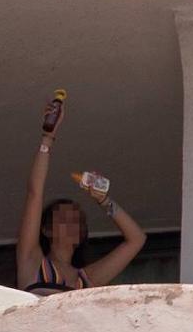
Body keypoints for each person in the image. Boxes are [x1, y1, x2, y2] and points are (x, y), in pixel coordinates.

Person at [16, 99, 145, 294]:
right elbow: (35, 193)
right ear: (46, 229)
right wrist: (48, 137)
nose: (73, 223)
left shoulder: (87, 278)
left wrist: (103, 200)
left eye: (78, 220)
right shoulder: (32, 261)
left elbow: (137, 239)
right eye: (64, 218)